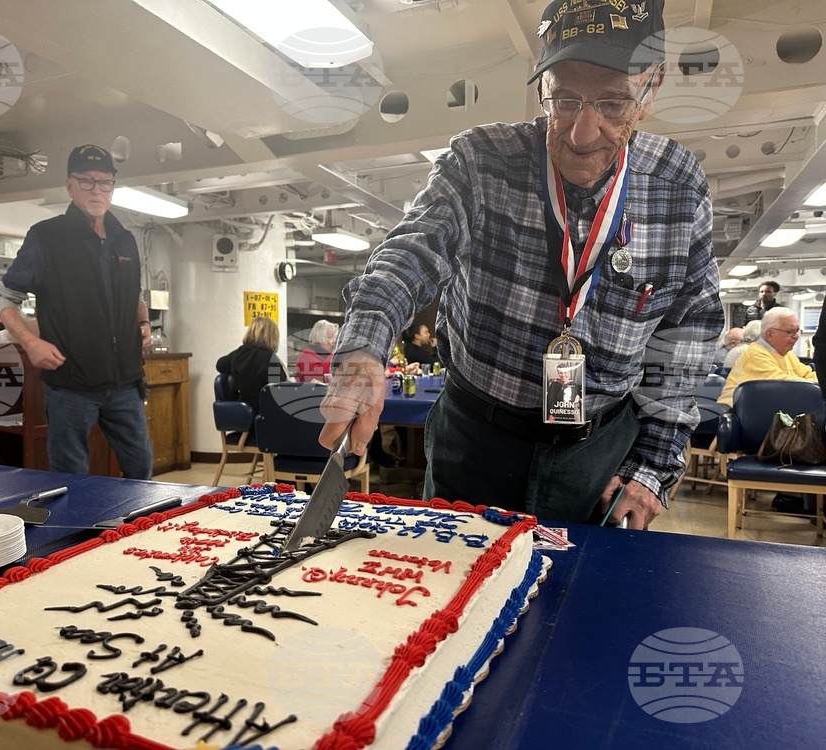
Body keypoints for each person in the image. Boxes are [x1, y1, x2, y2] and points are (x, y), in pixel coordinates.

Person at [317, 0, 722, 530]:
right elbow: (409, 253)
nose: (582, 131)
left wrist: (653, 466)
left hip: (597, 457)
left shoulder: (677, 187)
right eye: (565, 98)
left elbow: (687, 335)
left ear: (653, 87)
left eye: (612, 103)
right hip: (474, 440)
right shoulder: (481, 160)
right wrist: (364, 347)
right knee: (451, 601)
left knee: (579, 607)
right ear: (541, 85)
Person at [0, 144, 153, 479]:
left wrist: (142, 320)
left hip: (125, 381)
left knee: (141, 469)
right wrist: (31, 343)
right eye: (87, 181)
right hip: (71, 383)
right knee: (71, 476)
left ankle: (138, 531)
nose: (97, 190)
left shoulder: (125, 239)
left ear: (113, 186)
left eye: (105, 182)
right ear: (70, 185)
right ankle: (79, 533)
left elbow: (133, 294)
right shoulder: (47, 236)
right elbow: (5, 296)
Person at [718, 307, 817, 407]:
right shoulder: (755, 355)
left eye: (797, 331)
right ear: (769, 334)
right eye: (790, 332)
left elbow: (807, 374)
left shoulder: (787, 354)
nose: (796, 336)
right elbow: (787, 386)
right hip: (740, 417)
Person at [216, 315, 289, 412]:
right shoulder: (270, 359)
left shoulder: (239, 353)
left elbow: (220, 365)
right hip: (267, 412)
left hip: (245, 409)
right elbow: (283, 389)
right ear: (273, 337)